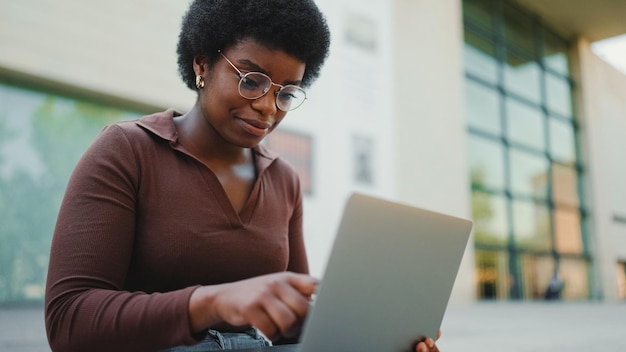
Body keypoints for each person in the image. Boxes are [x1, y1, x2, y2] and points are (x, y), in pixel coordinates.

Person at [44, 1, 441, 351]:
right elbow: (68, 321)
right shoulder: (128, 150)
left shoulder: (283, 179)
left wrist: (379, 336)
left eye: (286, 92)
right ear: (202, 63)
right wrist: (212, 302)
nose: (268, 107)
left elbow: (294, 325)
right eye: (251, 81)